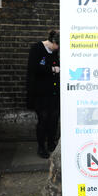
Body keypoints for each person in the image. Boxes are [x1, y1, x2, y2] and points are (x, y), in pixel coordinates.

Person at [26, 29, 60, 159]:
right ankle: (41, 147)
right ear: (53, 41)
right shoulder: (37, 48)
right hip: (40, 93)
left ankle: (51, 143)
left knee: (54, 118)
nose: (58, 49)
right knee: (43, 119)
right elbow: (33, 68)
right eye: (58, 45)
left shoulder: (54, 52)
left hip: (53, 93)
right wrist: (52, 69)